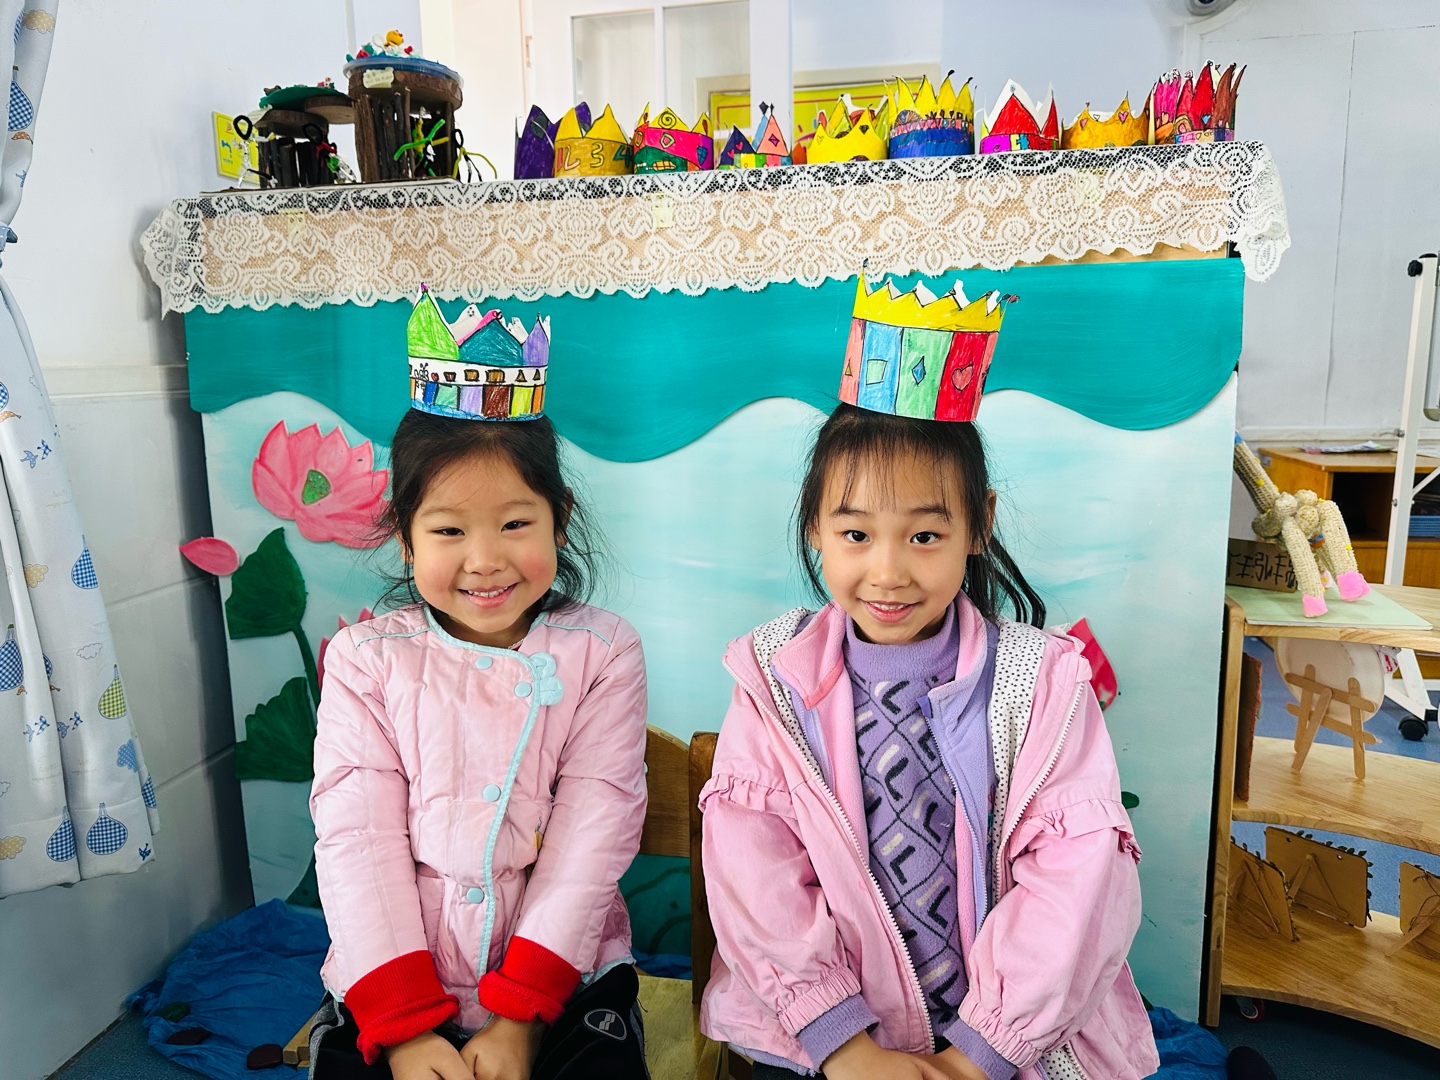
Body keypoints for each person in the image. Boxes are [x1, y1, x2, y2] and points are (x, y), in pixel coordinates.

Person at [698, 275, 1159, 1080]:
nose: (888, 572)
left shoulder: (1041, 683)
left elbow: (1079, 877)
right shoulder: (773, 681)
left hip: (1006, 1047)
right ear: (815, 527)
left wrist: (979, 1055)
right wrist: (842, 1043)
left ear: (978, 524)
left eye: (923, 536)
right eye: (856, 534)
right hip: (818, 1041)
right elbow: (755, 871)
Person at [309, 291, 649, 1080]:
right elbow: (358, 842)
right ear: (405, 537)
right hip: (394, 977)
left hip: (563, 975)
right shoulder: (365, 660)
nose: (485, 559)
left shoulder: (603, 652)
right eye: (449, 530)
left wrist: (521, 1017)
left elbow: (592, 835)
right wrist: (402, 1028)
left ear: (559, 518)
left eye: (516, 524)